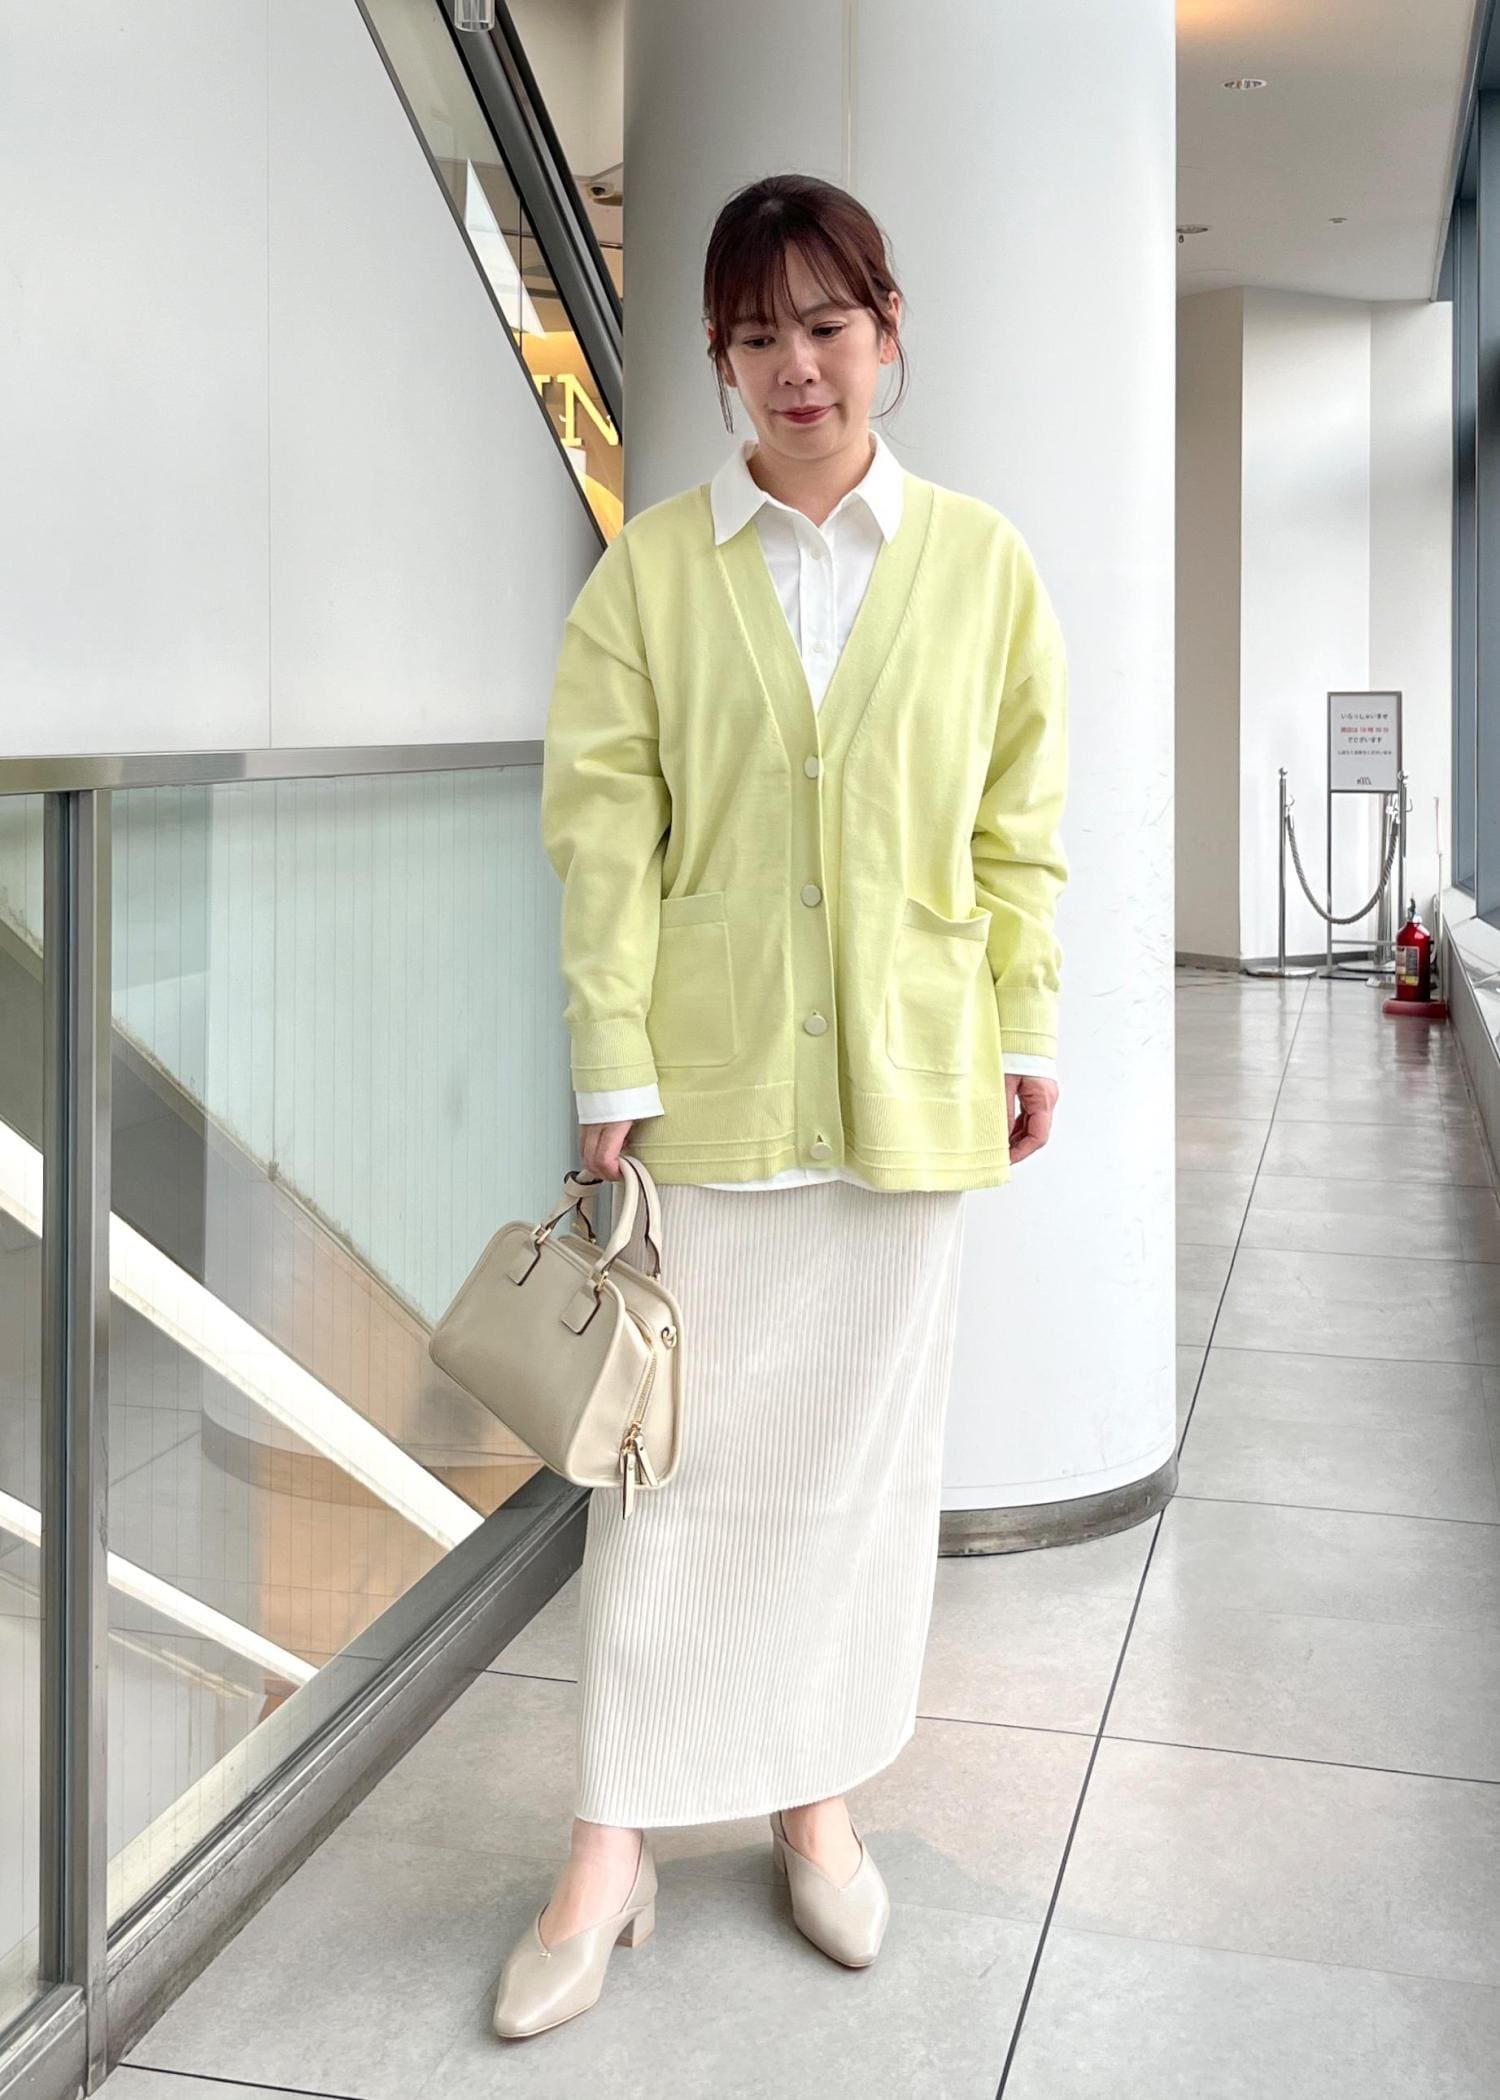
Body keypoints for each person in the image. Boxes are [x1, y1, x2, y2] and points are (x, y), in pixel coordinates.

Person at [492, 172, 1069, 2040]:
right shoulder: (653, 575)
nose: (796, 364)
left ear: (887, 334)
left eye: (827, 325)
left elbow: (1018, 833)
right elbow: (602, 838)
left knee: (853, 1482)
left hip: (908, 1088)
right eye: (758, 336)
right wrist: (611, 1061)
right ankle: (610, 1845)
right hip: (711, 1095)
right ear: (719, 361)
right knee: (668, 1489)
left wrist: (1025, 1028)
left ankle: (814, 1801)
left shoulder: (983, 567)